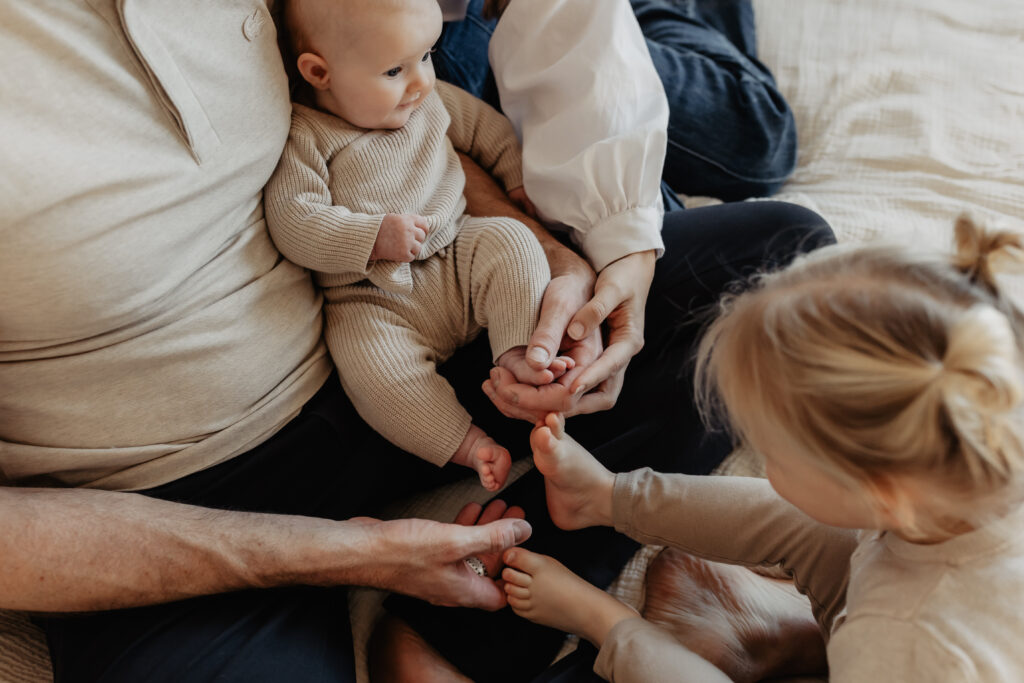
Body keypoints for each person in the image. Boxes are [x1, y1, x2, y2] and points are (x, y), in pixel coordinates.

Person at [0, 1, 831, 682]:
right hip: (165, 498)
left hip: (391, 339)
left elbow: (403, 122)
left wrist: (546, 252)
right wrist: (342, 553)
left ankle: (464, 641)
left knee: (780, 276)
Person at [500, 217, 1024, 682]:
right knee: (819, 525)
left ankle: (609, 623)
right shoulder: (961, 458)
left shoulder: (903, 644)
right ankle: (602, 497)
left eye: (773, 453)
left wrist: (613, 629)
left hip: (900, 649)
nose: (764, 463)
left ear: (885, 492)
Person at [267, 0, 568, 491]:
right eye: (394, 70)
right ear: (319, 72)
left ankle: (517, 354)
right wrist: (372, 236)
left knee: (513, 241)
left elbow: (485, 127)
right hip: (373, 298)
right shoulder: (307, 137)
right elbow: (294, 220)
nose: (421, 81)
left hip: (458, 248)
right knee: (370, 367)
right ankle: (467, 444)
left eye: (427, 56)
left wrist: (514, 175)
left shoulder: (425, 99)